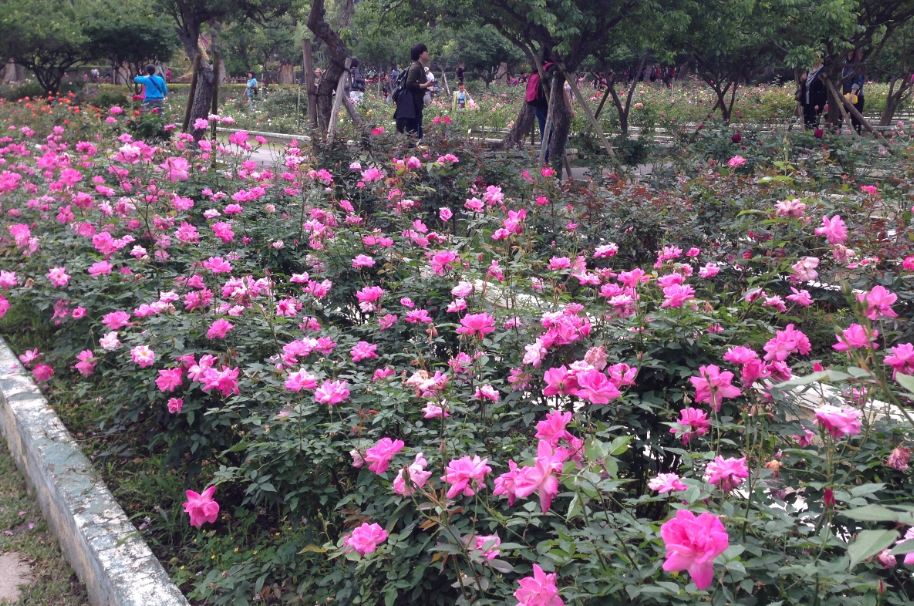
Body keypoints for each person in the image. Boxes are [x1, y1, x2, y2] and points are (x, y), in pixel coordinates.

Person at [394, 43, 433, 138]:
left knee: (416, 132)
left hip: (415, 105)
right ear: (420, 54)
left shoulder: (419, 66)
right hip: (412, 106)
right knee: (414, 133)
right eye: (426, 51)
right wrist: (425, 85)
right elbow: (409, 84)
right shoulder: (415, 67)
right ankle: (412, 151)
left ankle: (414, 151)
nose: (428, 53)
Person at [841, 49, 865, 134]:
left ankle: (857, 141)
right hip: (845, 96)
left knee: (856, 120)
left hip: (856, 96)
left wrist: (852, 94)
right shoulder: (844, 64)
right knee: (839, 116)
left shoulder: (858, 64)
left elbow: (858, 81)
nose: (849, 52)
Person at [802, 62, 827, 129]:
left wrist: (818, 103)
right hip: (807, 98)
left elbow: (823, 88)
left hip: (817, 101)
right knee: (806, 119)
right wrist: (802, 79)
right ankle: (807, 136)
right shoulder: (808, 69)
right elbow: (803, 83)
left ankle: (814, 136)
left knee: (814, 121)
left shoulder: (823, 70)